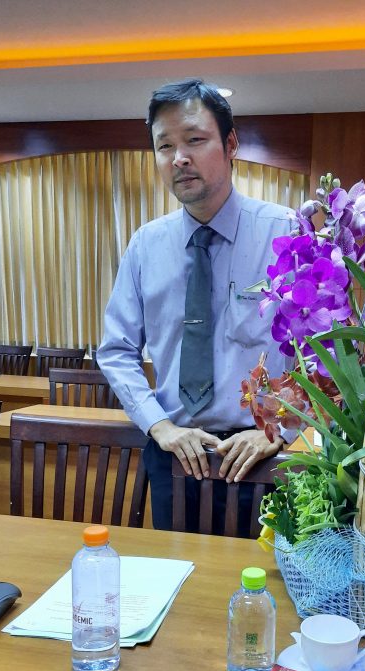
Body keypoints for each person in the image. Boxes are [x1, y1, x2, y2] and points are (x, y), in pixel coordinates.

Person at [97, 79, 293, 530]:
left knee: (263, 575)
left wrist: (280, 428)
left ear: (230, 144)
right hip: (177, 456)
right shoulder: (146, 245)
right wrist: (158, 425)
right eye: (164, 146)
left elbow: (324, 351)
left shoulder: (285, 234)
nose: (179, 158)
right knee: (176, 570)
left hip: (264, 457)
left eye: (194, 140)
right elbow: (116, 350)